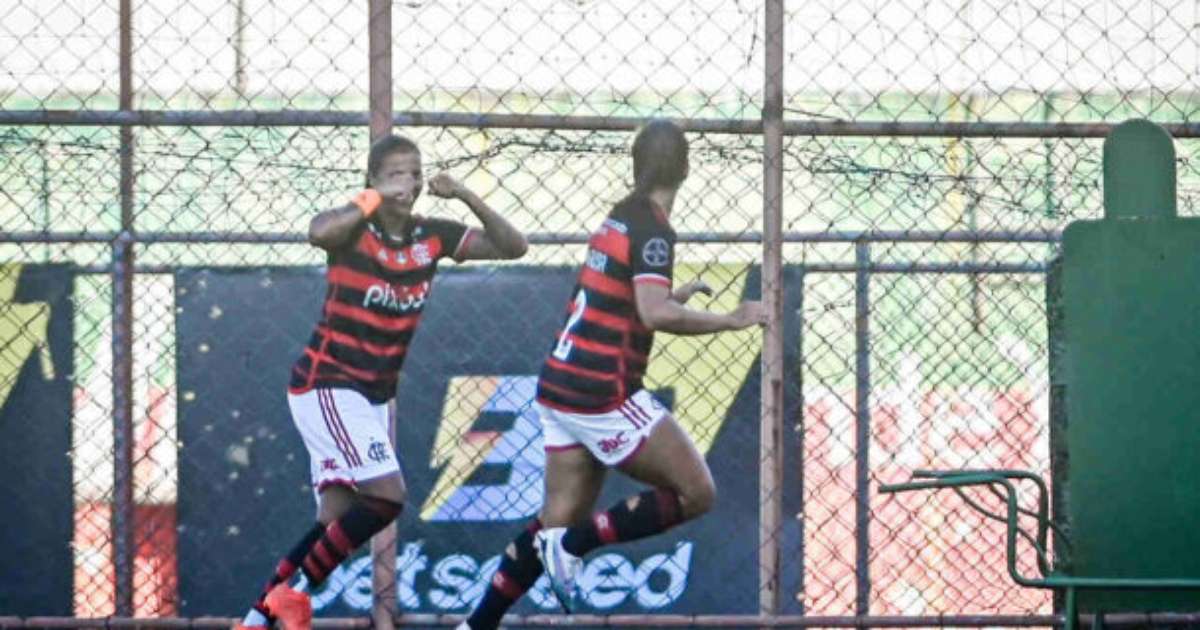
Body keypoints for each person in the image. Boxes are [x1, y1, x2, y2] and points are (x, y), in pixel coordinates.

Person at [458, 119, 765, 630]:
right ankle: (575, 547)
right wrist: (732, 320)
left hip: (560, 385)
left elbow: (632, 299)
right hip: (601, 392)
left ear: (636, 166)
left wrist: (672, 297)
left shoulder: (618, 217)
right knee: (696, 492)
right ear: (685, 170)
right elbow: (654, 314)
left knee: (555, 517)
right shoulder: (654, 229)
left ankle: (476, 624)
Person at [234, 133, 528, 630]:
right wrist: (368, 199)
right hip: (327, 383)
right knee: (387, 497)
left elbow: (513, 245)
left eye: (414, 173)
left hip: (371, 397)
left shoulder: (430, 235)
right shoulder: (355, 227)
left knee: (335, 521)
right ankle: (292, 597)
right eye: (395, 173)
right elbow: (318, 232)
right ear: (372, 180)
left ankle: (255, 621)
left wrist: (465, 195)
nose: (407, 183)